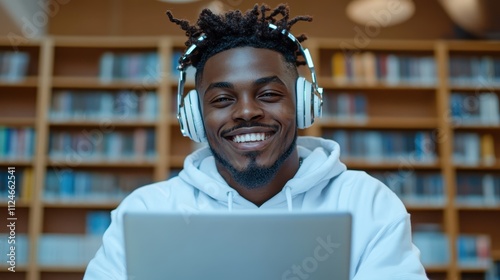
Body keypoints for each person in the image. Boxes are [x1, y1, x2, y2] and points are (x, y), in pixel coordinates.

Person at [84, 3, 427, 279]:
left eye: (268, 93)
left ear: (305, 103)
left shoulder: (368, 204)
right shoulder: (146, 212)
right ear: (194, 117)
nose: (246, 112)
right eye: (222, 100)